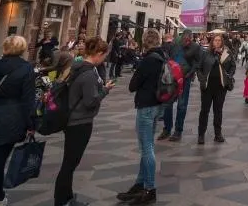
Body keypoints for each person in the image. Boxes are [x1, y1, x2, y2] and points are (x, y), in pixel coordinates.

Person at [55, 37, 113, 206]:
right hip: (80, 122)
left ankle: (67, 197)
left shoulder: (76, 67)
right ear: (99, 54)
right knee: (70, 164)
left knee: (69, 163)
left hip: (72, 119)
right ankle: (61, 201)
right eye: (104, 56)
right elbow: (90, 101)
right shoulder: (88, 74)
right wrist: (105, 90)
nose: (104, 60)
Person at [117, 30, 166, 205]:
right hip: (157, 105)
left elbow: (132, 85)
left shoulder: (148, 60)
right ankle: (140, 183)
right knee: (148, 146)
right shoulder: (162, 57)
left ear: (145, 41)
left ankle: (150, 188)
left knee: (147, 148)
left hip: (146, 106)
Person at [0, 35, 35, 206]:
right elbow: (28, 99)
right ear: (22, 49)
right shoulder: (26, 68)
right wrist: (31, 124)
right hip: (12, 119)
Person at [160, 30, 202, 142]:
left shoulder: (195, 47)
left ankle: (178, 130)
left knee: (181, 105)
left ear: (191, 38)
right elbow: (168, 57)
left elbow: (197, 62)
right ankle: (167, 129)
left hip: (185, 79)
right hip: (172, 78)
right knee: (167, 104)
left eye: (188, 40)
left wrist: (190, 73)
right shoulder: (175, 45)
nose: (186, 42)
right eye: (184, 40)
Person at [195, 33, 235, 144]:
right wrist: (202, 79)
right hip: (207, 86)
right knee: (204, 111)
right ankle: (201, 134)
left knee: (218, 111)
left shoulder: (227, 53)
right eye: (215, 40)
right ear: (212, 42)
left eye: (219, 40)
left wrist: (229, 76)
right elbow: (198, 67)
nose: (217, 42)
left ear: (222, 42)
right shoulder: (205, 53)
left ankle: (218, 134)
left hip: (221, 87)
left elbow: (233, 66)